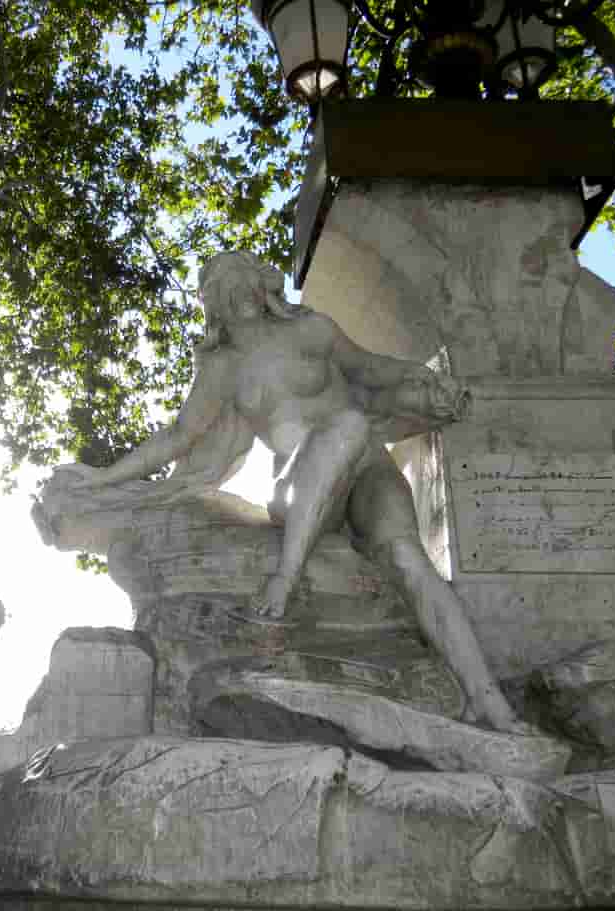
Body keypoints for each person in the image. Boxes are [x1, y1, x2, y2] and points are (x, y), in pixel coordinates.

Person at [55, 251, 520, 731]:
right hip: (299, 490)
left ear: (264, 288)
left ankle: (487, 701)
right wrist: (104, 478)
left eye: (248, 284)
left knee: (408, 559)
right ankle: (286, 577)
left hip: (365, 471)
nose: (243, 298)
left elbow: (371, 367)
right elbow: (177, 437)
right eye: (228, 291)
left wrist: (423, 380)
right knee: (347, 424)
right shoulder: (223, 368)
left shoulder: (311, 330)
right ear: (215, 306)